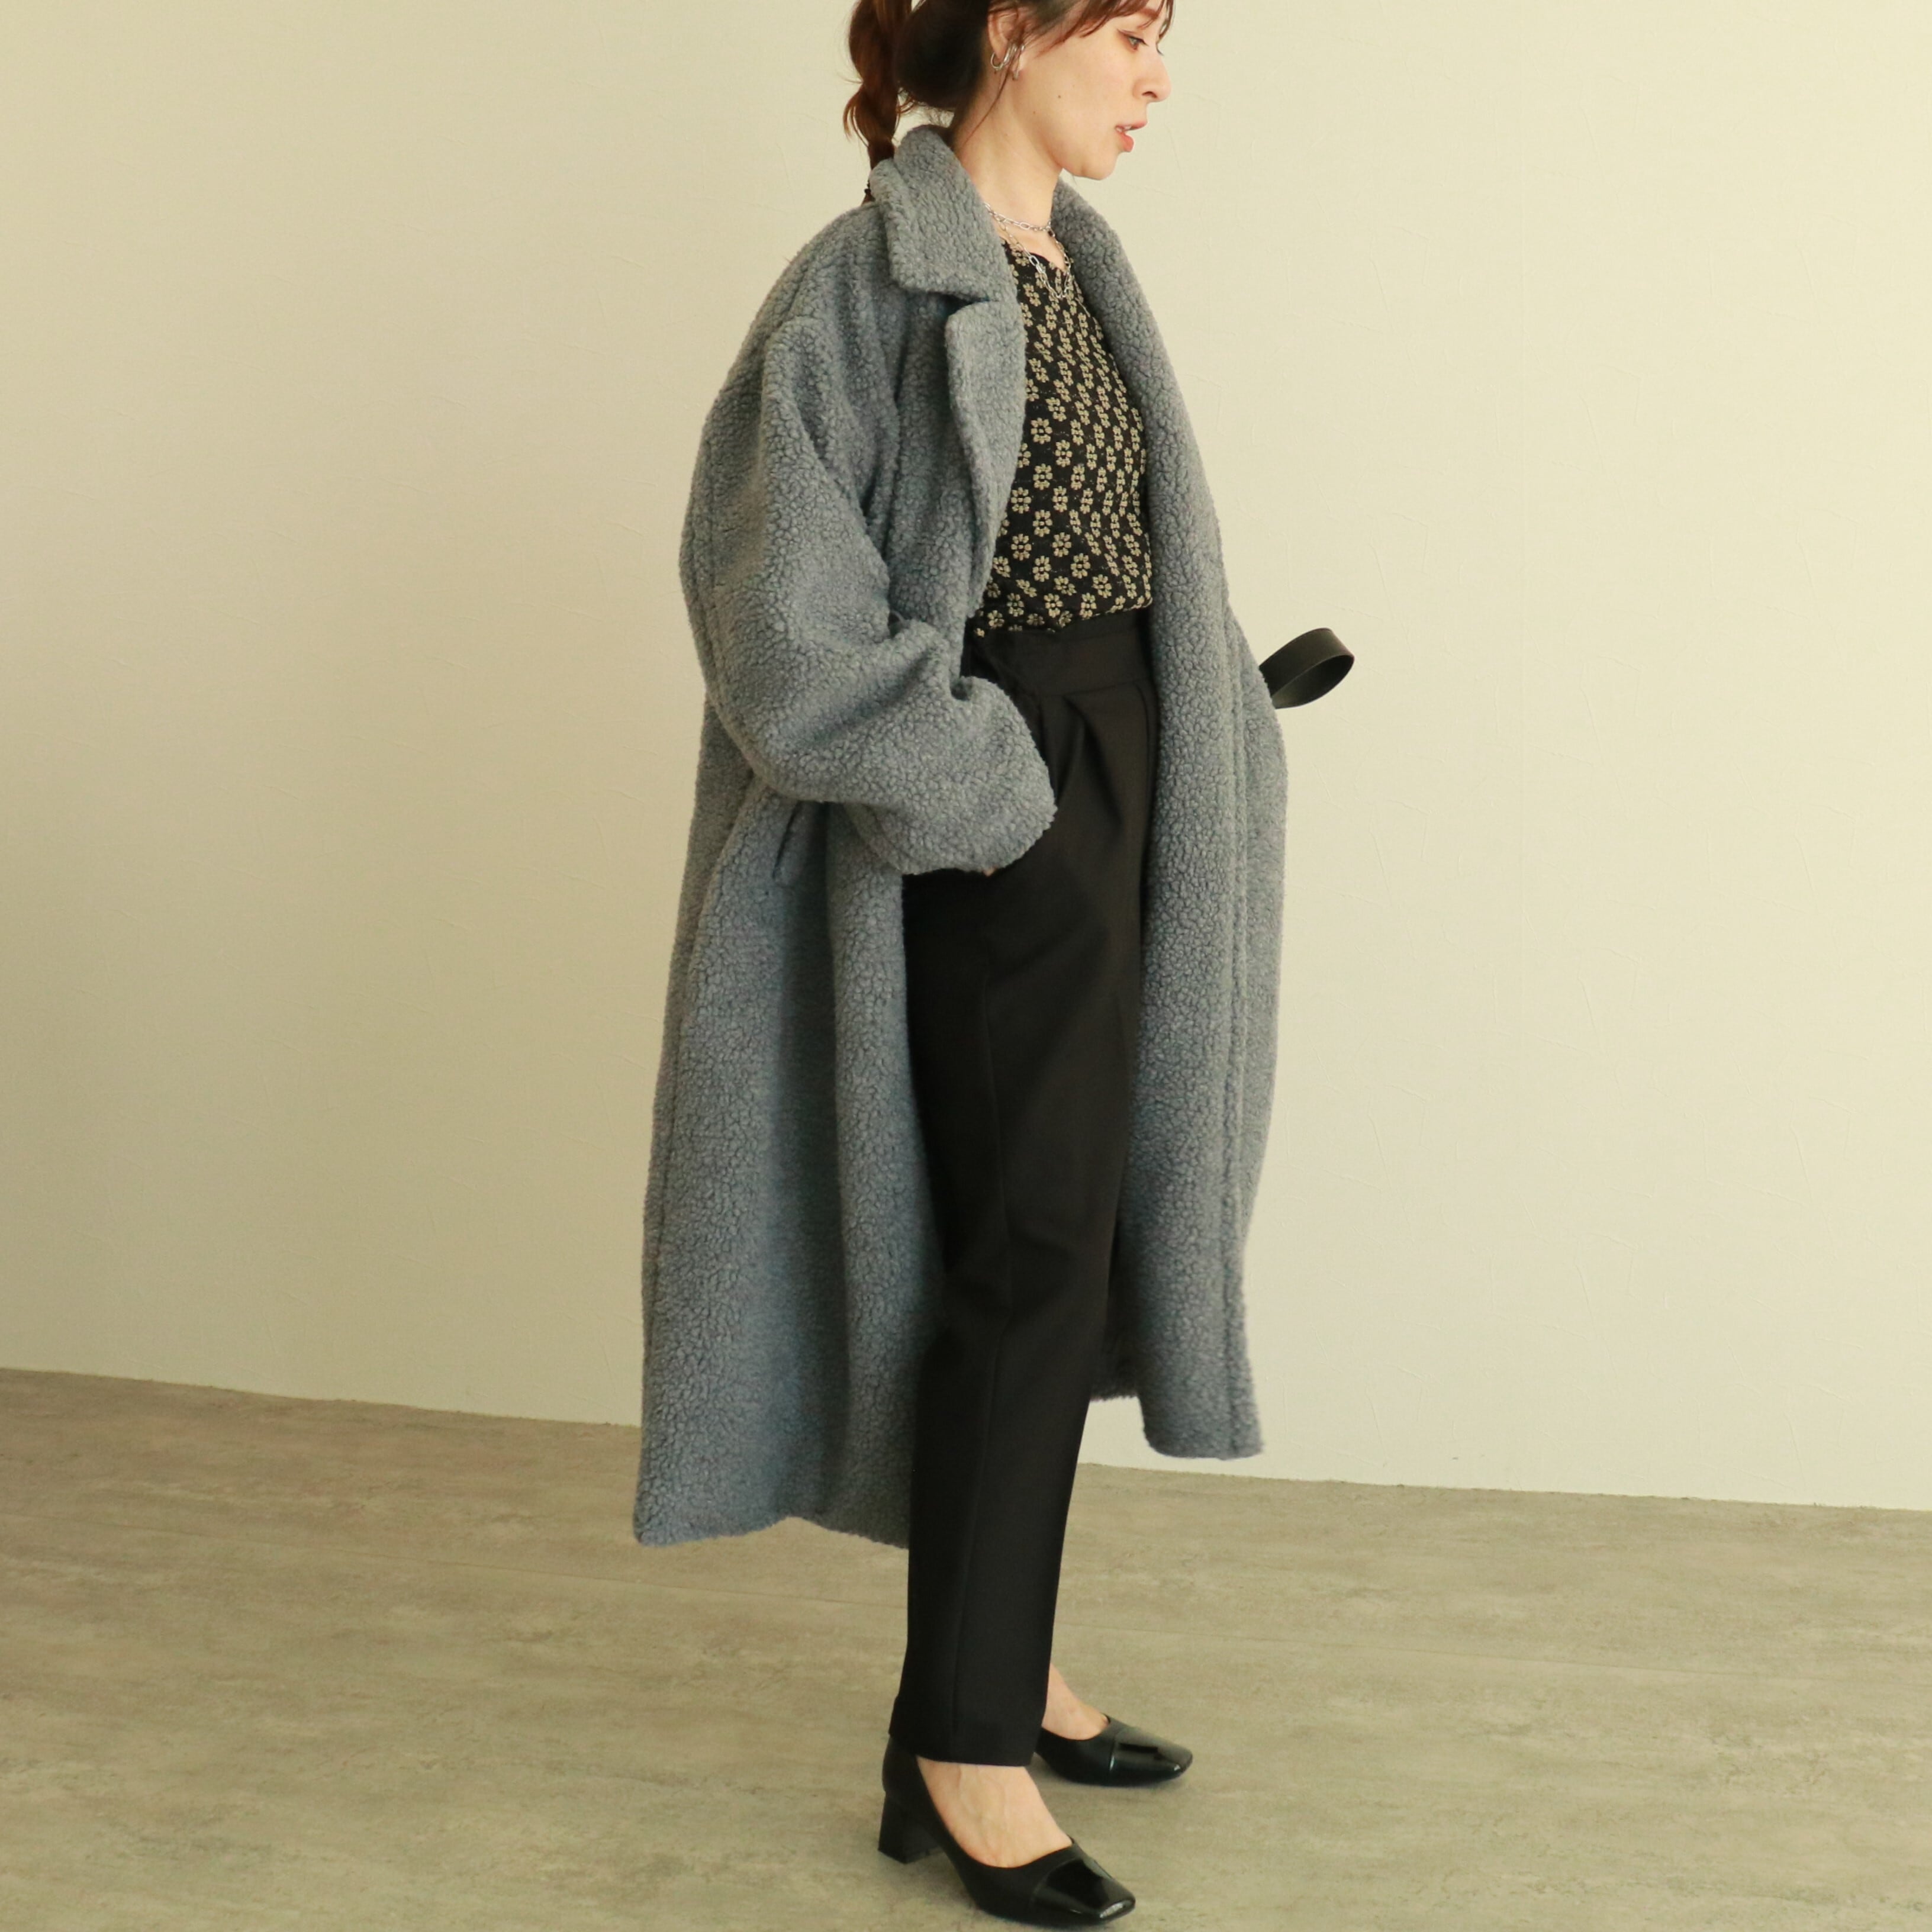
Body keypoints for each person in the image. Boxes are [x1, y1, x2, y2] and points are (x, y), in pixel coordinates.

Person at [633, 1, 1287, 1922]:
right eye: (1134, 35)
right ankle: (960, 1744)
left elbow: (1130, 562)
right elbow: (781, 635)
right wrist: (1002, 791)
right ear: (1013, 29)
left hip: (1127, 794)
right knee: (1023, 1259)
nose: (1158, 81)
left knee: (1069, 1260)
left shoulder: (1077, 262)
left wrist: (1211, 725)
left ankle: (1005, 1665)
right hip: (995, 820)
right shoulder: (857, 291)